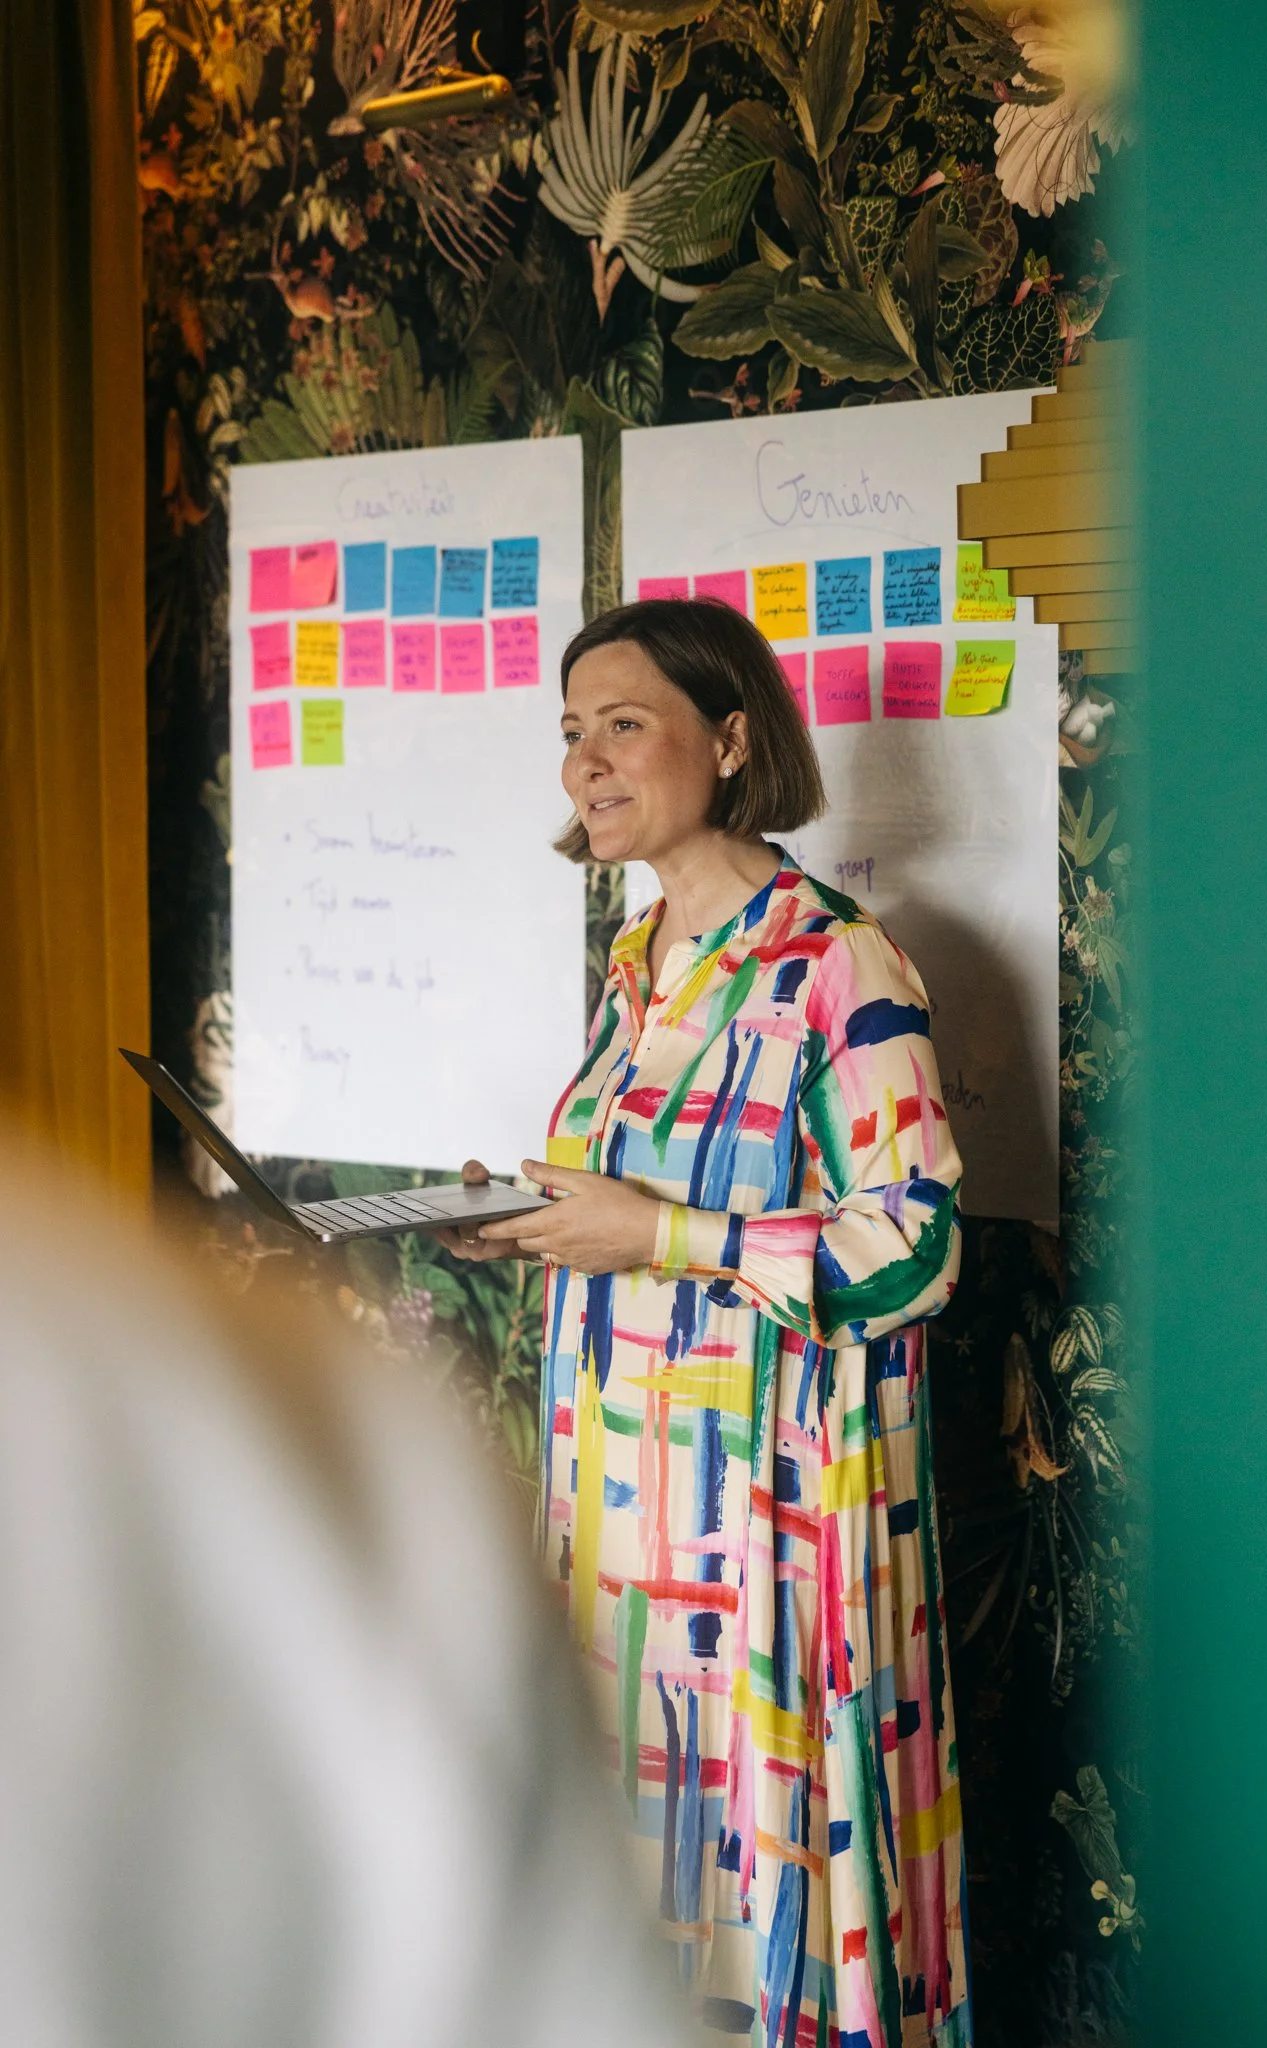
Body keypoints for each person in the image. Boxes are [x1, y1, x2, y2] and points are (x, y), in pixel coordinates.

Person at [446, 597, 972, 2046]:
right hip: (621, 1517)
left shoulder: (836, 964)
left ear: (729, 740)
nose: (584, 764)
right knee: (646, 1903)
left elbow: (915, 1246)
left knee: (771, 1879)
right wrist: (553, 1211)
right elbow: (657, 1194)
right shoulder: (639, 967)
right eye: (569, 732)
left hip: (770, 1519)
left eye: (623, 724)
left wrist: (657, 1232)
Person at [0, 1134, 690, 2048]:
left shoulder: (204, 1390)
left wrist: (651, 1231)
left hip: (710, 1477)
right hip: (625, 1468)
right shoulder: (291, 1398)